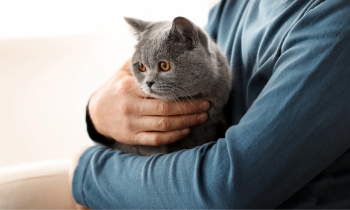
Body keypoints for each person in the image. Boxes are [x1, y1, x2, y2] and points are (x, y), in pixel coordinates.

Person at [70, 0, 350, 208]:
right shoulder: (235, 6)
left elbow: (227, 188)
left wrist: (86, 169)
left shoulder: (335, 20)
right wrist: (97, 115)